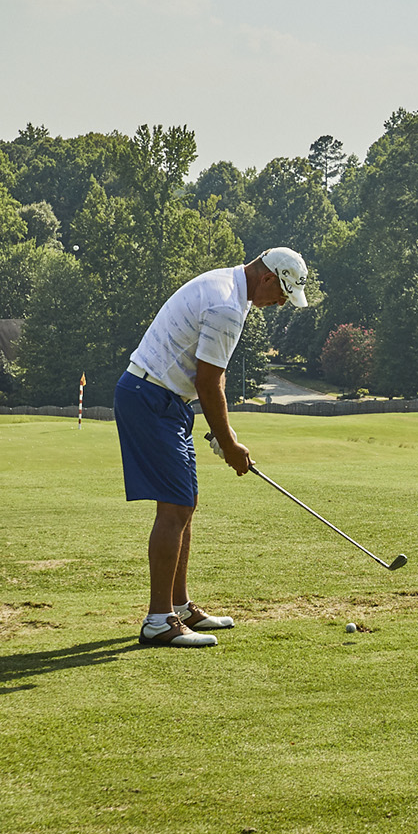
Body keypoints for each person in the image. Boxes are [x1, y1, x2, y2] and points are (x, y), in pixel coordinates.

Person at [115, 248, 308, 647]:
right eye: (282, 294)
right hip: (150, 398)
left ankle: (179, 606)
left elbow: (209, 379)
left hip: (166, 399)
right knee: (175, 505)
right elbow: (207, 383)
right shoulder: (226, 306)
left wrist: (224, 435)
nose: (280, 304)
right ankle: (158, 620)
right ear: (268, 277)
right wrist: (229, 443)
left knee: (186, 502)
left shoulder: (232, 292)